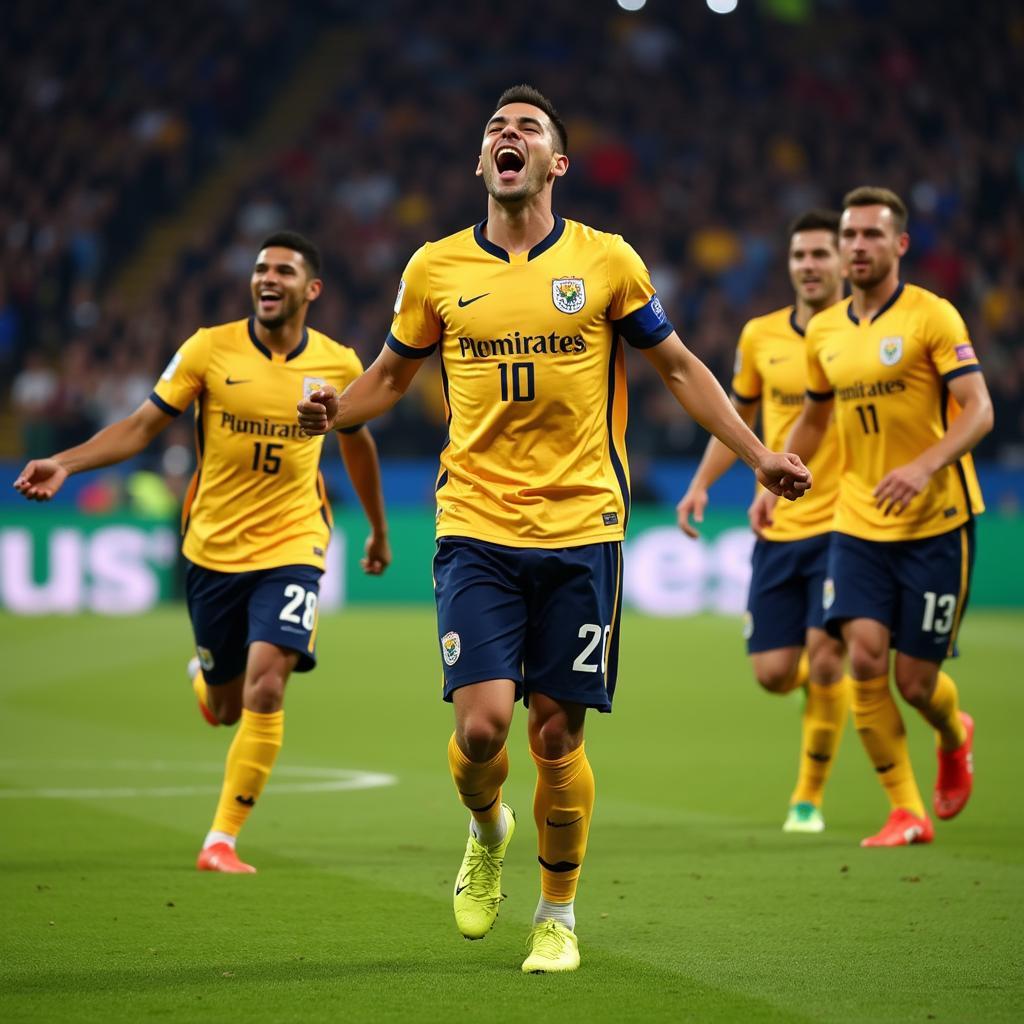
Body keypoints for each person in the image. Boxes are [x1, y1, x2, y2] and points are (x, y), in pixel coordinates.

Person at [297, 85, 810, 974]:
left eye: (526, 128)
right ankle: (487, 827)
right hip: (475, 523)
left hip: (583, 525)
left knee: (557, 736)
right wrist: (334, 410)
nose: (508, 135)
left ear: (555, 163)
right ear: (480, 161)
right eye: (495, 127)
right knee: (487, 731)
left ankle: (557, 913)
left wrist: (757, 454)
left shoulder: (606, 262)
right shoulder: (434, 270)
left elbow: (681, 370)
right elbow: (388, 378)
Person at [14, 231, 391, 873]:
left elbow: (356, 443)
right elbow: (140, 427)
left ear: (312, 289)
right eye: (261, 269)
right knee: (226, 704)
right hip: (212, 548)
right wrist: (65, 463)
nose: (268, 279)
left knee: (268, 684)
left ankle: (221, 838)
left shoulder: (338, 364)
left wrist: (379, 530)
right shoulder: (208, 348)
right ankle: (206, 681)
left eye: (283, 271)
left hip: (294, 541)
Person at [753, 186, 993, 847]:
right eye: (849, 237)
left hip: (936, 521)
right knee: (863, 657)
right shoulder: (826, 331)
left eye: (870, 236)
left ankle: (954, 731)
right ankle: (906, 810)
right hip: (856, 521)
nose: (857, 247)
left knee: (916, 683)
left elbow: (978, 409)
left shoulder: (932, 317)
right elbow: (816, 415)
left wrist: (923, 466)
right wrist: (776, 476)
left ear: (899, 245)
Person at [677, 210, 852, 834]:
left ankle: (807, 798)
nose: (809, 265)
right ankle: (835, 679)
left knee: (826, 660)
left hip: (846, 517)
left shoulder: (859, 338)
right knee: (776, 674)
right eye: (800, 254)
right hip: (780, 520)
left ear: (843, 262)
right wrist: (701, 484)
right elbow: (737, 418)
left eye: (821, 254)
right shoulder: (759, 337)